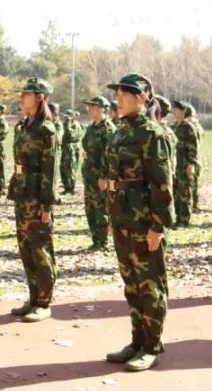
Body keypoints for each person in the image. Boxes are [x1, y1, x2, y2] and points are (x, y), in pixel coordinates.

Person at [101, 73, 173, 372]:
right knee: (131, 285)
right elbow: (115, 181)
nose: (118, 99)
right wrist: (111, 217)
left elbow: (162, 184)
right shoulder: (119, 132)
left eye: (125, 94)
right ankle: (137, 340)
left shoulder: (152, 135)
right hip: (122, 219)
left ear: (143, 97)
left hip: (144, 222)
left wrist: (158, 226)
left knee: (150, 285)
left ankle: (151, 346)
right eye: (117, 94)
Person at [8, 78, 59, 322]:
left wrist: (47, 204)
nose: (21, 98)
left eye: (26, 94)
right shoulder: (24, 126)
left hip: (38, 198)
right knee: (26, 249)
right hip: (22, 195)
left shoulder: (46, 130)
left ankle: (44, 302)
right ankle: (32, 297)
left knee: (40, 249)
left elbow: (50, 170)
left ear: (39, 97)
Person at [81, 96, 117, 250]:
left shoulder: (107, 129)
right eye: (89, 106)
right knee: (89, 207)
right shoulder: (91, 127)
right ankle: (95, 239)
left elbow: (107, 154)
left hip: (100, 175)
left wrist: (104, 176)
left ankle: (102, 241)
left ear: (103, 109)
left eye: (94, 106)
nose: (90, 109)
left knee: (100, 207)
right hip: (89, 173)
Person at [171, 100, 200, 229]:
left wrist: (191, 164)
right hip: (174, 165)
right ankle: (178, 218)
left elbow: (194, 147)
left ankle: (184, 220)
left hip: (185, 165)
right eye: (175, 108)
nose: (175, 110)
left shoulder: (188, 127)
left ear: (184, 111)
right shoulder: (174, 127)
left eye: (178, 109)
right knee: (176, 193)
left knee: (185, 193)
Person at [60, 110, 84, 194]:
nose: (65, 118)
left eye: (67, 117)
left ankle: (71, 188)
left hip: (71, 150)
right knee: (63, 168)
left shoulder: (75, 125)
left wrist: (68, 122)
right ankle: (67, 187)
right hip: (65, 149)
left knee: (70, 169)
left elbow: (69, 135)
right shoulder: (67, 124)